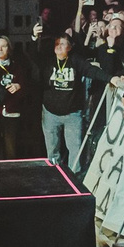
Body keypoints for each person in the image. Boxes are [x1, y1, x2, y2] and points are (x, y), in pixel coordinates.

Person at [28, 30, 91, 172]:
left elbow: (91, 70)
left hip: (72, 114)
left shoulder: (75, 60)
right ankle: (54, 175)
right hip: (51, 113)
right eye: (57, 43)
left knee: (75, 148)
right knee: (52, 149)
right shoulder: (48, 60)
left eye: (63, 44)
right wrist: (34, 37)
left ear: (70, 47)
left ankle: (74, 177)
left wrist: (111, 78)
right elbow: (33, 55)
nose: (59, 46)